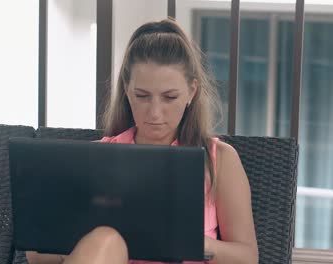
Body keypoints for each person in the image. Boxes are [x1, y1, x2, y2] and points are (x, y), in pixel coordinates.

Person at [26, 17, 258, 264]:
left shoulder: (218, 159)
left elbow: (247, 257)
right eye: (142, 96)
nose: (155, 113)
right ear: (127, 90)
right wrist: (78, 242)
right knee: (105, 239)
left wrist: (193, 244)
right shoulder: (94, 159)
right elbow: (38, 258)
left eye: (169, 97)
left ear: (191, 92)